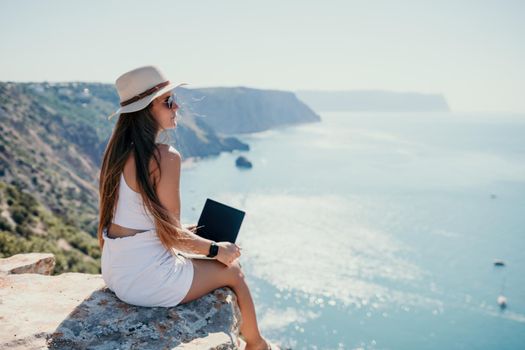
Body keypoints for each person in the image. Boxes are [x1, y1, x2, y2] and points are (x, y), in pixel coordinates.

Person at [98, 66, 278, 350]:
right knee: (234, 270)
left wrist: (192, 233)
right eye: (167, 101)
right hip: (146, 281)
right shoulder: (165, 157)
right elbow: (172, 236)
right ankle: (257, 345)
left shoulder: (116, 155)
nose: (176, 106)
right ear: (146, 110)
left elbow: (142, 222)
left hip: (115, 270)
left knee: (214, 250)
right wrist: (218, 250)